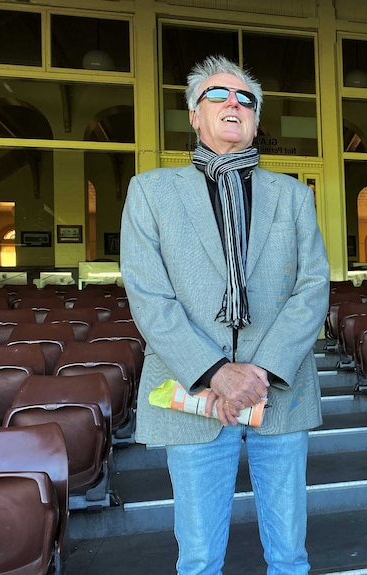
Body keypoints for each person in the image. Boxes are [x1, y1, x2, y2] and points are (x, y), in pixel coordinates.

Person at [121, 55, 329, 575]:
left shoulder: (294, 197)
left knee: (289, 555)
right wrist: (218, 372)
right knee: (197, 559)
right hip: (195, 394)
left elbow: (312, 287)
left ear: (256, 121)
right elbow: (150, 297)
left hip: (278, 392)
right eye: (218, 95)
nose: (233, 103)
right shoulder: (150, 192)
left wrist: (259, 373)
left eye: (245, 98)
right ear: (194, 115)